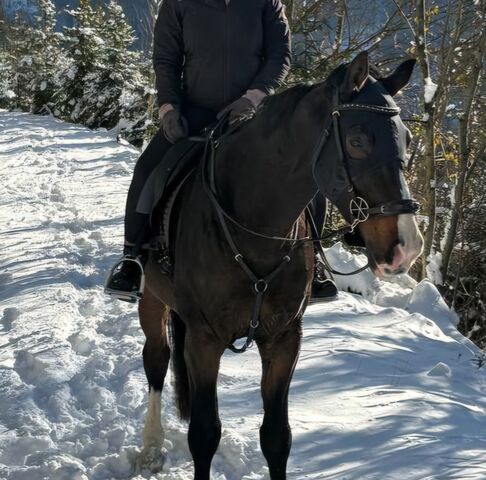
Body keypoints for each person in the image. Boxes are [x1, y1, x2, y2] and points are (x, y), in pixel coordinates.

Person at [105, 0, 337, 302]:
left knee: (307, 170)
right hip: (195, 112)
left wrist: (252, 98)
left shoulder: (267, 3)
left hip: (256, 115)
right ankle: (131, 259)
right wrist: (168, 108)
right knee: (148, 168)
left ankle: (315, 261)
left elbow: (280, 55)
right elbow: (167, 59)